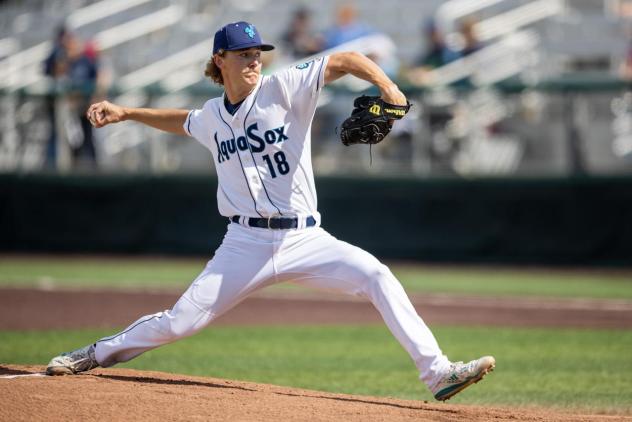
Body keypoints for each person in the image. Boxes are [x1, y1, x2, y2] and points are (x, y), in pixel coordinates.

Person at [45, 21, 495, 402]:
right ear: (220, 59)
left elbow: (345, 59)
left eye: (257, 51)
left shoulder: (283, 87)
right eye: (243, 53)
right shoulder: (211, 117)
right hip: (245, 243)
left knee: (376, 275)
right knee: (180, 322)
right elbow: (180, 120)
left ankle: (439, 373)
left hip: (306, 239)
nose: (254, 59)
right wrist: (125, 112)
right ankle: (98, 353)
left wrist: (388, 85)